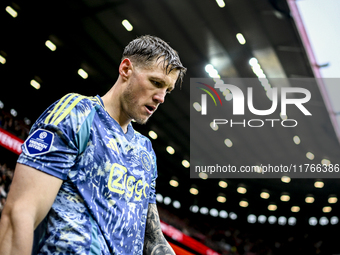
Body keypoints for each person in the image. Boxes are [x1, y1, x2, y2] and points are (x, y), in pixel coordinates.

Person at [0, 35, 186, 255]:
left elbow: (153, 240)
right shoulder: (77, 113)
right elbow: (20, 213)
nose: (161, 98)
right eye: (156, 83)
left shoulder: (145, 151)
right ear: (126, 69)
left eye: (168, 90)